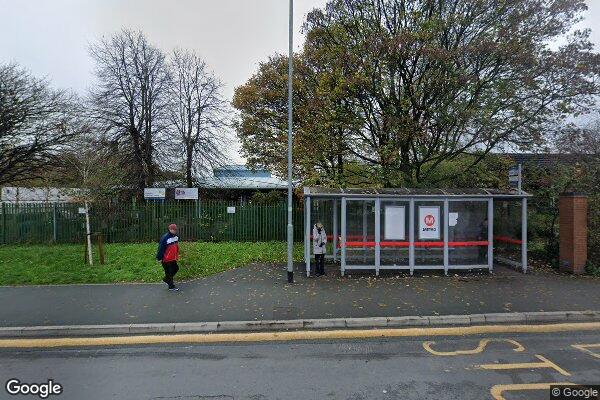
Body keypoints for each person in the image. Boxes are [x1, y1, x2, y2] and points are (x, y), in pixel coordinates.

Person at [157, 223, 180, 291]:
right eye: (173, 229)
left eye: (175, 229)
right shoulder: (165, 237)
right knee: (169, 272)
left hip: (173, 258)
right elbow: (161, 248)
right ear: (169, 229)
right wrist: (159, 258)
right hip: (166, 259)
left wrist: (177, 254)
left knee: (176, 268)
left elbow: (176, 246)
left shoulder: (176, 237)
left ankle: (167, 279)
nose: (174, 231)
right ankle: (171, 286)